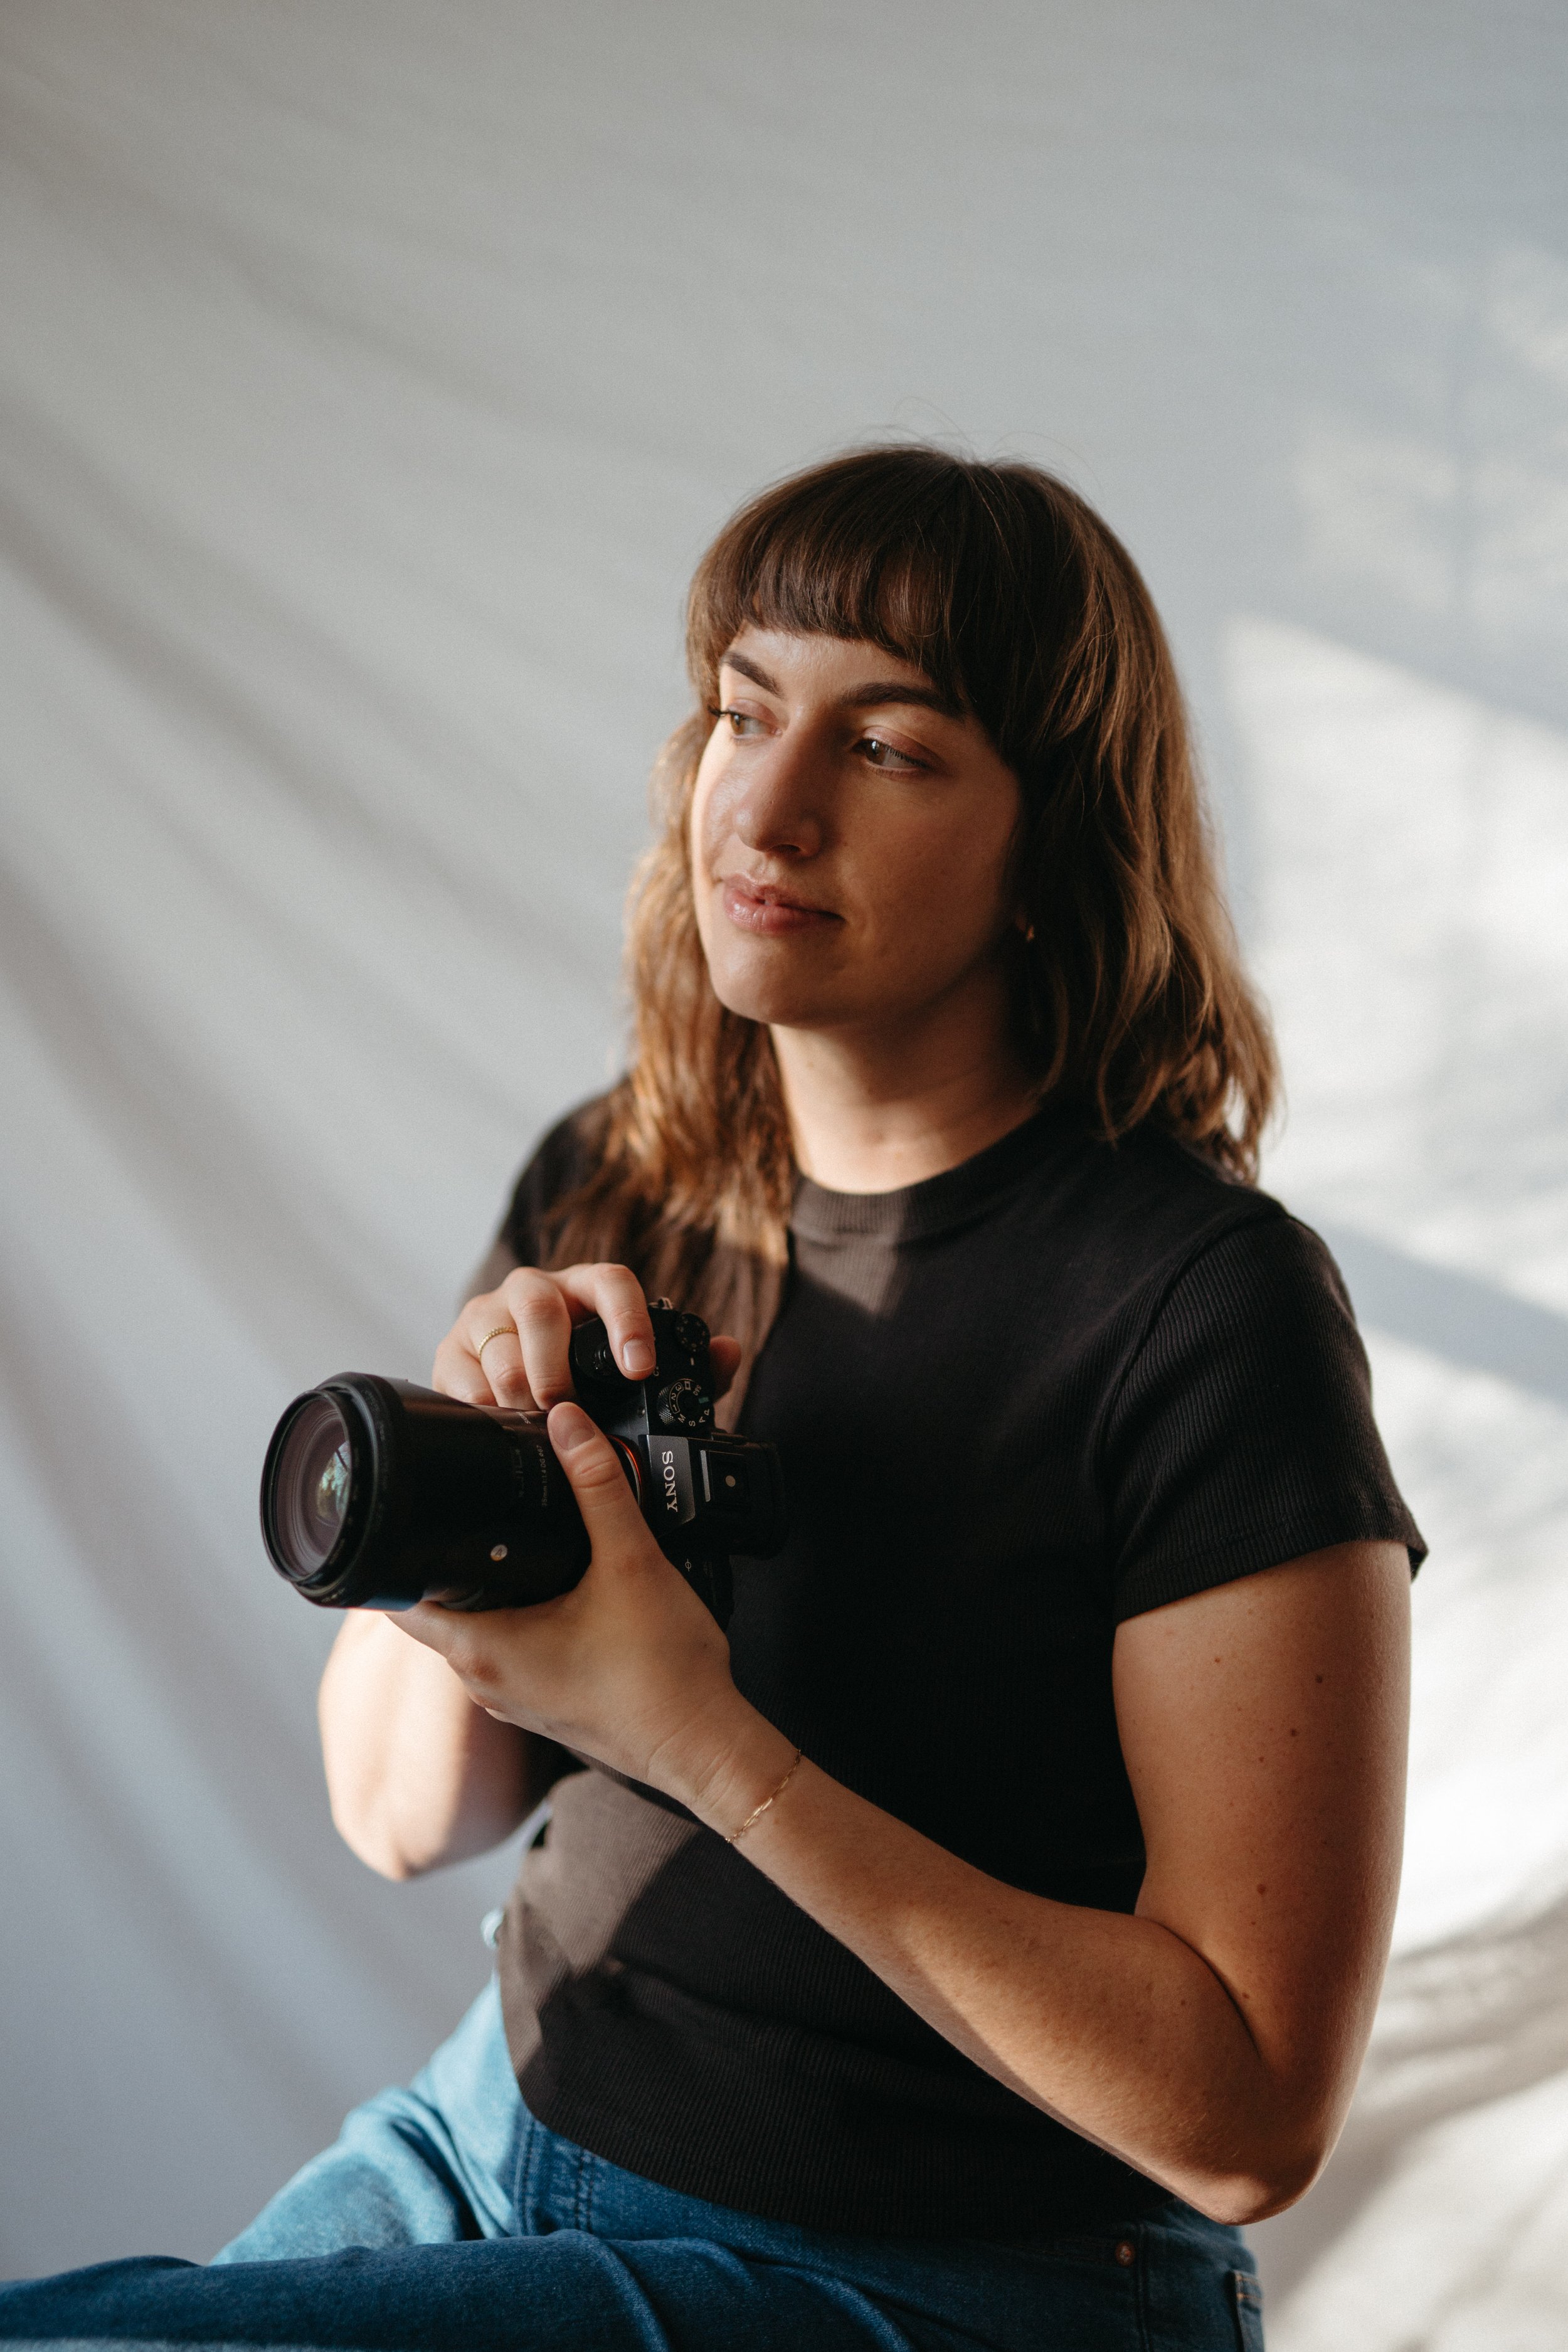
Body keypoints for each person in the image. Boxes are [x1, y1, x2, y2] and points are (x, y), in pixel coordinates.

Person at [0, 447, 1421, 2351]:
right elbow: (397, 1814)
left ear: (1051, 844)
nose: (765, 802)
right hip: (491, 2128)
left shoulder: (1200, 1306)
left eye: (890, 747)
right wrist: (474, 1459)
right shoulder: (628, 1176)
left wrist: (696, 1738)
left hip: (935, 2279)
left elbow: (1247, 2115)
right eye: (744, 710)